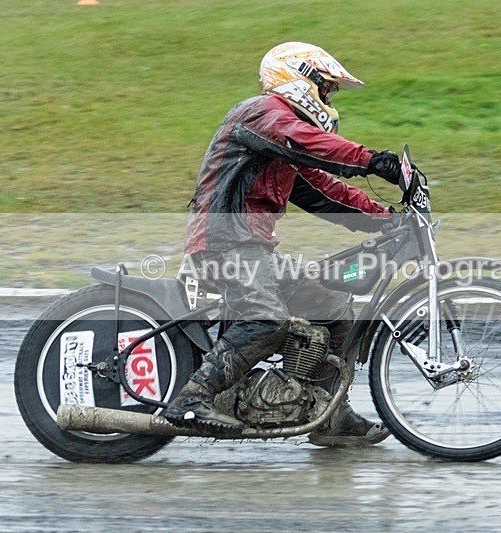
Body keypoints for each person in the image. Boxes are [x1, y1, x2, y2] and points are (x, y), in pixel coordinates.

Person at [164, 42, 402, 447]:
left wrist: (386, 217)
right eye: (325, 87)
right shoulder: (263, 113)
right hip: (222, 243)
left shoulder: (281, 143)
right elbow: (309, 143)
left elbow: (324, 192)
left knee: (333, 304)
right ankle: (192, 399)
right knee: (267, 319)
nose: (327, 98)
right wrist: (371, 160)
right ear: (297, 79)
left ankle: (329, 414)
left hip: (252, 250)